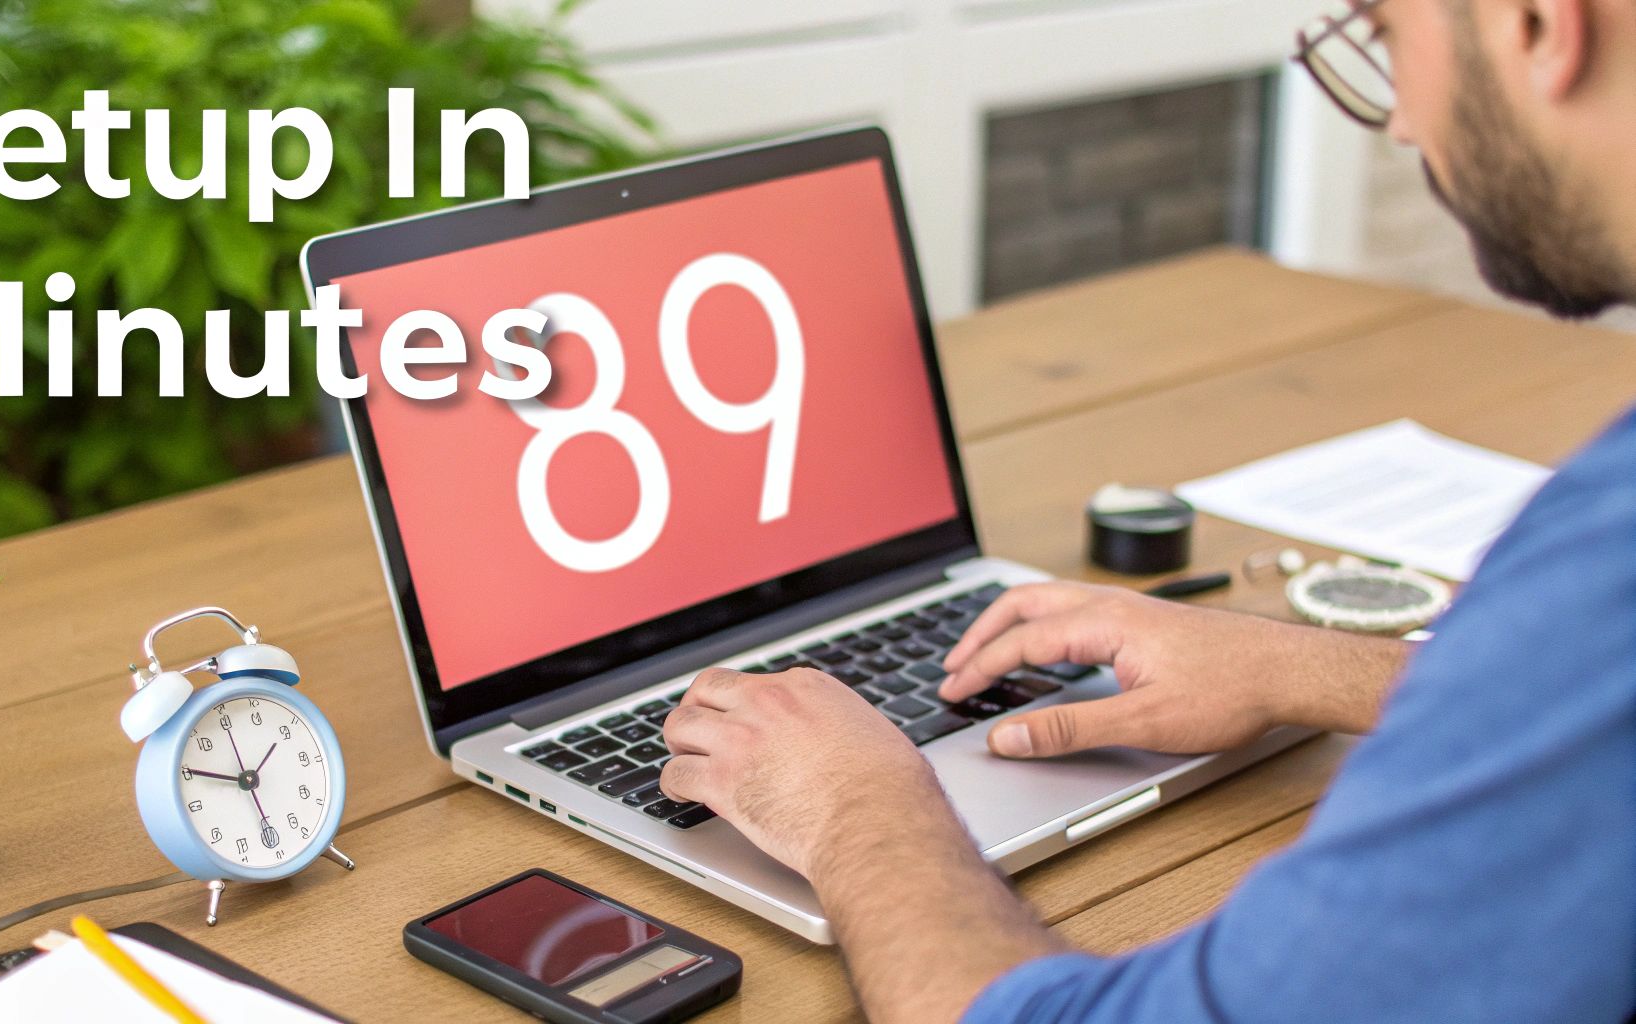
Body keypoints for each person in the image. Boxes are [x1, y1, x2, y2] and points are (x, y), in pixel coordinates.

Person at [655, 0, 1636, 1020]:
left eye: (1384, 31)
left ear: (1534, 24)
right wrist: (1308, 666)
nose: (1394, 121)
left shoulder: (1598, 567)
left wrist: (857, 804)